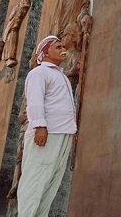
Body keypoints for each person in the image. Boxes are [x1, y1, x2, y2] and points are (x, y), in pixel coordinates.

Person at [17, 35, 76, 217]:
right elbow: (34, 101)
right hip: (47, 133)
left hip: (63, 133)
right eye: (57, 47)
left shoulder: (60, 75)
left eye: (62, 46)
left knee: (51, 183)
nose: (62, 48)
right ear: (45, 52)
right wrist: (40, 126)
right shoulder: (39, 73)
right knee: (35, 181)